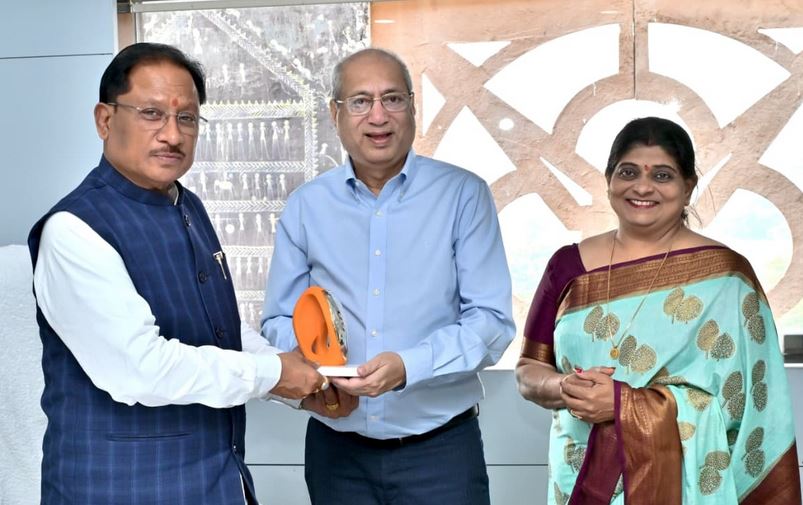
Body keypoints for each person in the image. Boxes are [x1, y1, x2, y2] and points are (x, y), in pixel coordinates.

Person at [27, 42, 327, 504]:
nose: (172, 134)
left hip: (215, 482)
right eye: (151, 114)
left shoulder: (188, 207)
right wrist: (273, 374)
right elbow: (138, 369)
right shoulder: (75, 229)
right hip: (120, 489)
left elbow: (219, 328)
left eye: (187, 118)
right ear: (105, 120)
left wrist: (297, 382)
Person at [262, 48, 515, 505]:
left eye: (393, 99)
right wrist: (320, 366)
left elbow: (491, 322)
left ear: (413, 108)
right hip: (337, 451)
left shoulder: (463, 195)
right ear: (335, 114)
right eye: (360, 101)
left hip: (441, 451)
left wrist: (408, 367)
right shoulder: (306, 206)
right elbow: (278, 320)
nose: (378, 116)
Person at [515, 116, 801, 504]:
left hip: (688, 483)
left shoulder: (727, 278)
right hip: (580, 476)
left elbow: (756, 408)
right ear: (609, 180)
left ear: (688, 187)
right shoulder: (567, 267)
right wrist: (563, 388)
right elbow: (529, 369)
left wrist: (623, 406)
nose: (642, 187)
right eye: (628, 172)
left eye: (662, 175)